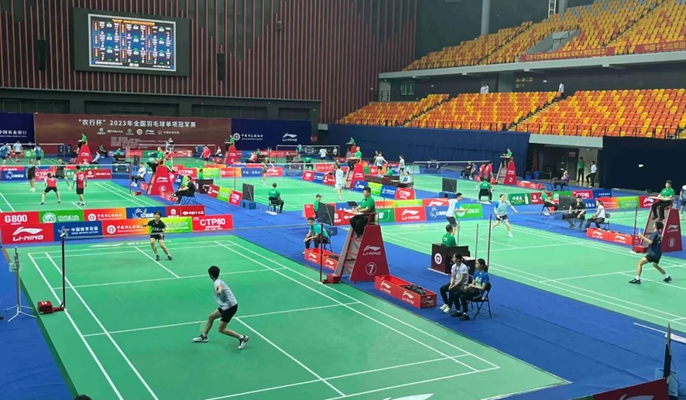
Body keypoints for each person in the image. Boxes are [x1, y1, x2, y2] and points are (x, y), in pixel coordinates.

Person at [192, 266, 250, 349]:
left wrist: (219, 290)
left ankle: (242, 338)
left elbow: (220, 287)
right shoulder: (218, 281)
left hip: (230, 307)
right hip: (226, 306)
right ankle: (204, 336)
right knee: (211, 317)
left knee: (222, 329)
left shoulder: (217, 283)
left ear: (210, 275)